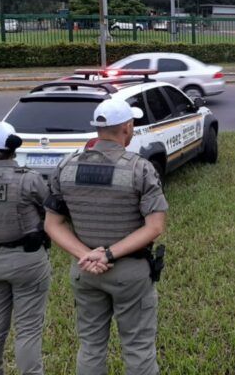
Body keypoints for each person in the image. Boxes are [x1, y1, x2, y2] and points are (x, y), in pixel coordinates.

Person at [45, 100, 168, 375]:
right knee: (137, 348)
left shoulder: (66, 166)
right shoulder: (140, 169)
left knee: (90, 346)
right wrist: (108, 254)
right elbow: (155, 227)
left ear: (98, 128)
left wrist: (85, 255)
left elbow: (53, 224)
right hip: (129, 273)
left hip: (85, 271)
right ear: (127, 127)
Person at [0, 122, 51, 375]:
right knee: (28, 329)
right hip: (27, 260)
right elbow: (50, 208)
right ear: (12, 148)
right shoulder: (29, 179)